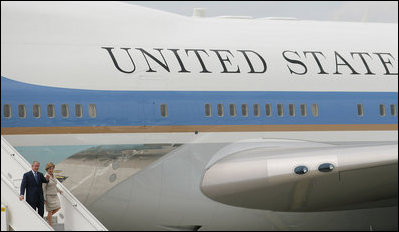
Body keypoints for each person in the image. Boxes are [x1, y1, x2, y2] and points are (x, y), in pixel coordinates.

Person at [42, 162, 63, 227]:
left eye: (52, 168)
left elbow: (54, 185)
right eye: (49, 169)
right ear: (47, 169)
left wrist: (59, 190)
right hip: (49, 196)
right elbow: (43, 188)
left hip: (54, 195)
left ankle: (48, 218)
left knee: (58, 207)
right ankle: (50, 226)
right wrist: (44, 199)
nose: (51, 170)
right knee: (50, 211)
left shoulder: (53, 175)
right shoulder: (46, 177)